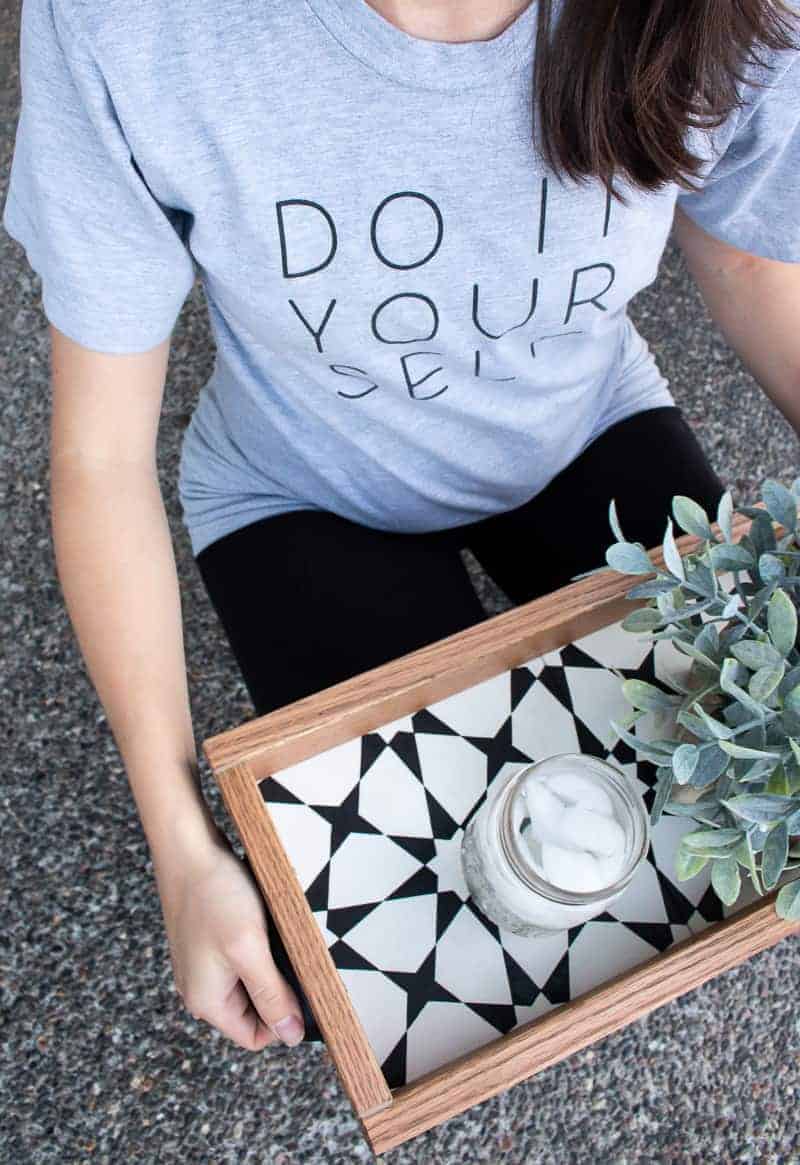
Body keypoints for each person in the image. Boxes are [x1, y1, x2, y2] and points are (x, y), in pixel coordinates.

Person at [3, 0, 800, 1056]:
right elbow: (100, 457)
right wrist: (181, 843)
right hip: (300, 486)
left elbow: (746, 251)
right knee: (434, 946)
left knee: (725, 821)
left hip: (581, 425)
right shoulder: (132, 24)